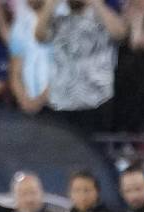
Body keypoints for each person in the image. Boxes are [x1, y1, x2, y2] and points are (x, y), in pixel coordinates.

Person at [34, 0, 126, 134]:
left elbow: (120, 33)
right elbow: (39, 35)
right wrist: (50, 4)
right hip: (62, 102)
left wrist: (96, 3)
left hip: (96, 101)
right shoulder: (59, 20)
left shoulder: (101, 17)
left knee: (94, 153)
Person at [9, 0, 51, 115]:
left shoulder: (64, 21)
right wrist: (23, 99)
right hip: (27, 108)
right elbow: (15, 72)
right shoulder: (20, 24)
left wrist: (40, 101)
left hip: (58, 110)